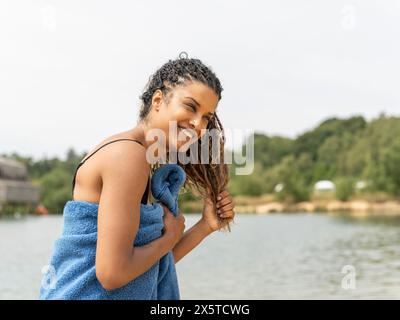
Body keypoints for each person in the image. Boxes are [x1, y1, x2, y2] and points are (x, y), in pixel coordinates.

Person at [42, 55, 235, 297]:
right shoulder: (128, 156)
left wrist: (205, 227)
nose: (198, 124)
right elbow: (113, 273)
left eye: (206, 116)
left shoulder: (145, 160)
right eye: (190, 106)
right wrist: (169, 237)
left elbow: (145, 269)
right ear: (158, 100)